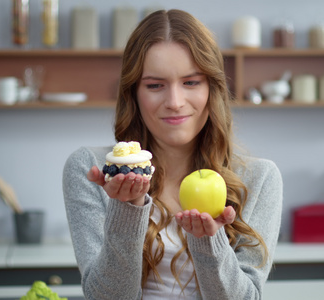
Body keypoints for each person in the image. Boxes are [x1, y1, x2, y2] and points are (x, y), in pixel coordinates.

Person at [62, 9, 283, 299]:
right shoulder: (93, 169)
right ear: (133, 94)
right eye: (155, 85)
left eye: (191, 82)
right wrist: (128, 209)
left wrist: (209, 242)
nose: (175, 102)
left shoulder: (259, 179)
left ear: (212, 90)